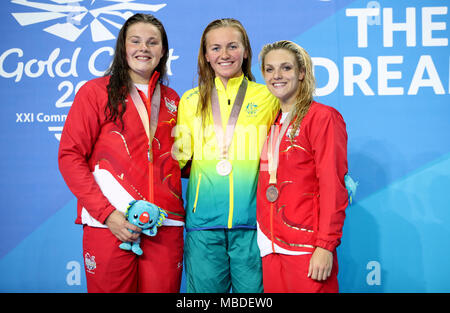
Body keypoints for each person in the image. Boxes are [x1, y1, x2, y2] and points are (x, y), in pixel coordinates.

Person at [58, 13, 184, 293]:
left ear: (163, 51)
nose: (144, 48)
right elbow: (70, 156)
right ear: (122, 47)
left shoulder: (174, 99)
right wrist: (106, 215)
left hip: (165, 224)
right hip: (110, 224)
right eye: (135, 41)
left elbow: (183, 161)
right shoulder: (95, 92)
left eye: (152, 42)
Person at [173, 18, 278, 293]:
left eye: (233, 46)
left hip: (253, 224)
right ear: (206, 55)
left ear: (245, 51)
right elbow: (179, 160)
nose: (225, 54)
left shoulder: (268, 95)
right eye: (216, 48)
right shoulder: (190, 100)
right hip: (203, 227)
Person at [256, 40, 349, 293]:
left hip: (307, 246)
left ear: (301, 73)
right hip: (270, 244)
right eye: (269, 69)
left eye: (286, 68)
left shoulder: (322, 117)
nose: (277, 76)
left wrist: (325, 245)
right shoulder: (270, 122)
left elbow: (333, 185)